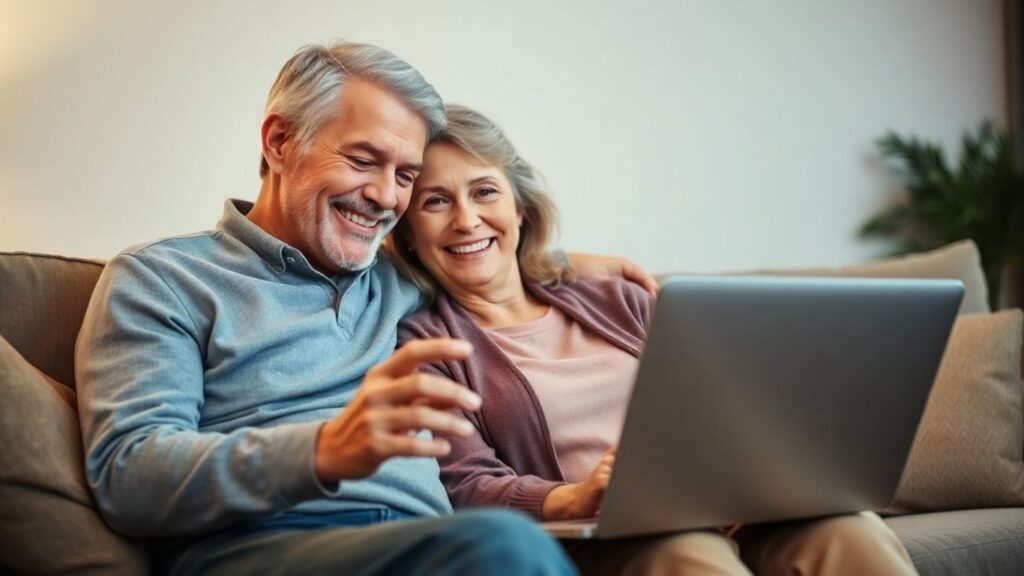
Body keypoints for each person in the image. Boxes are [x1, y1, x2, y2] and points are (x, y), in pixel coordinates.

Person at [75, 41, 652, 576]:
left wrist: (563, 262)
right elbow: (128, 475)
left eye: (404, 175)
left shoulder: (398, 279)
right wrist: (324, 450)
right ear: (279, 141)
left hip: (430, 543)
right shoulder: (164, 279)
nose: (384, 196)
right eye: (361, 160)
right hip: (262, 545)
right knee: (506, 545)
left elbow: (476, 248)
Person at [389, 104, 921, 576]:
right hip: (601, 536)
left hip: (723, 504)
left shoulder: (620, 298)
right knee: (688, 554)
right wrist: (572, 497)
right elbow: (466, 482)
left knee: (851, 532)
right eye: (436, 202)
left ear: (520, 208)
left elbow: (725, 405)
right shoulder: (425, 347)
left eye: (485, 191)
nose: (466, 219)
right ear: (409, 234)